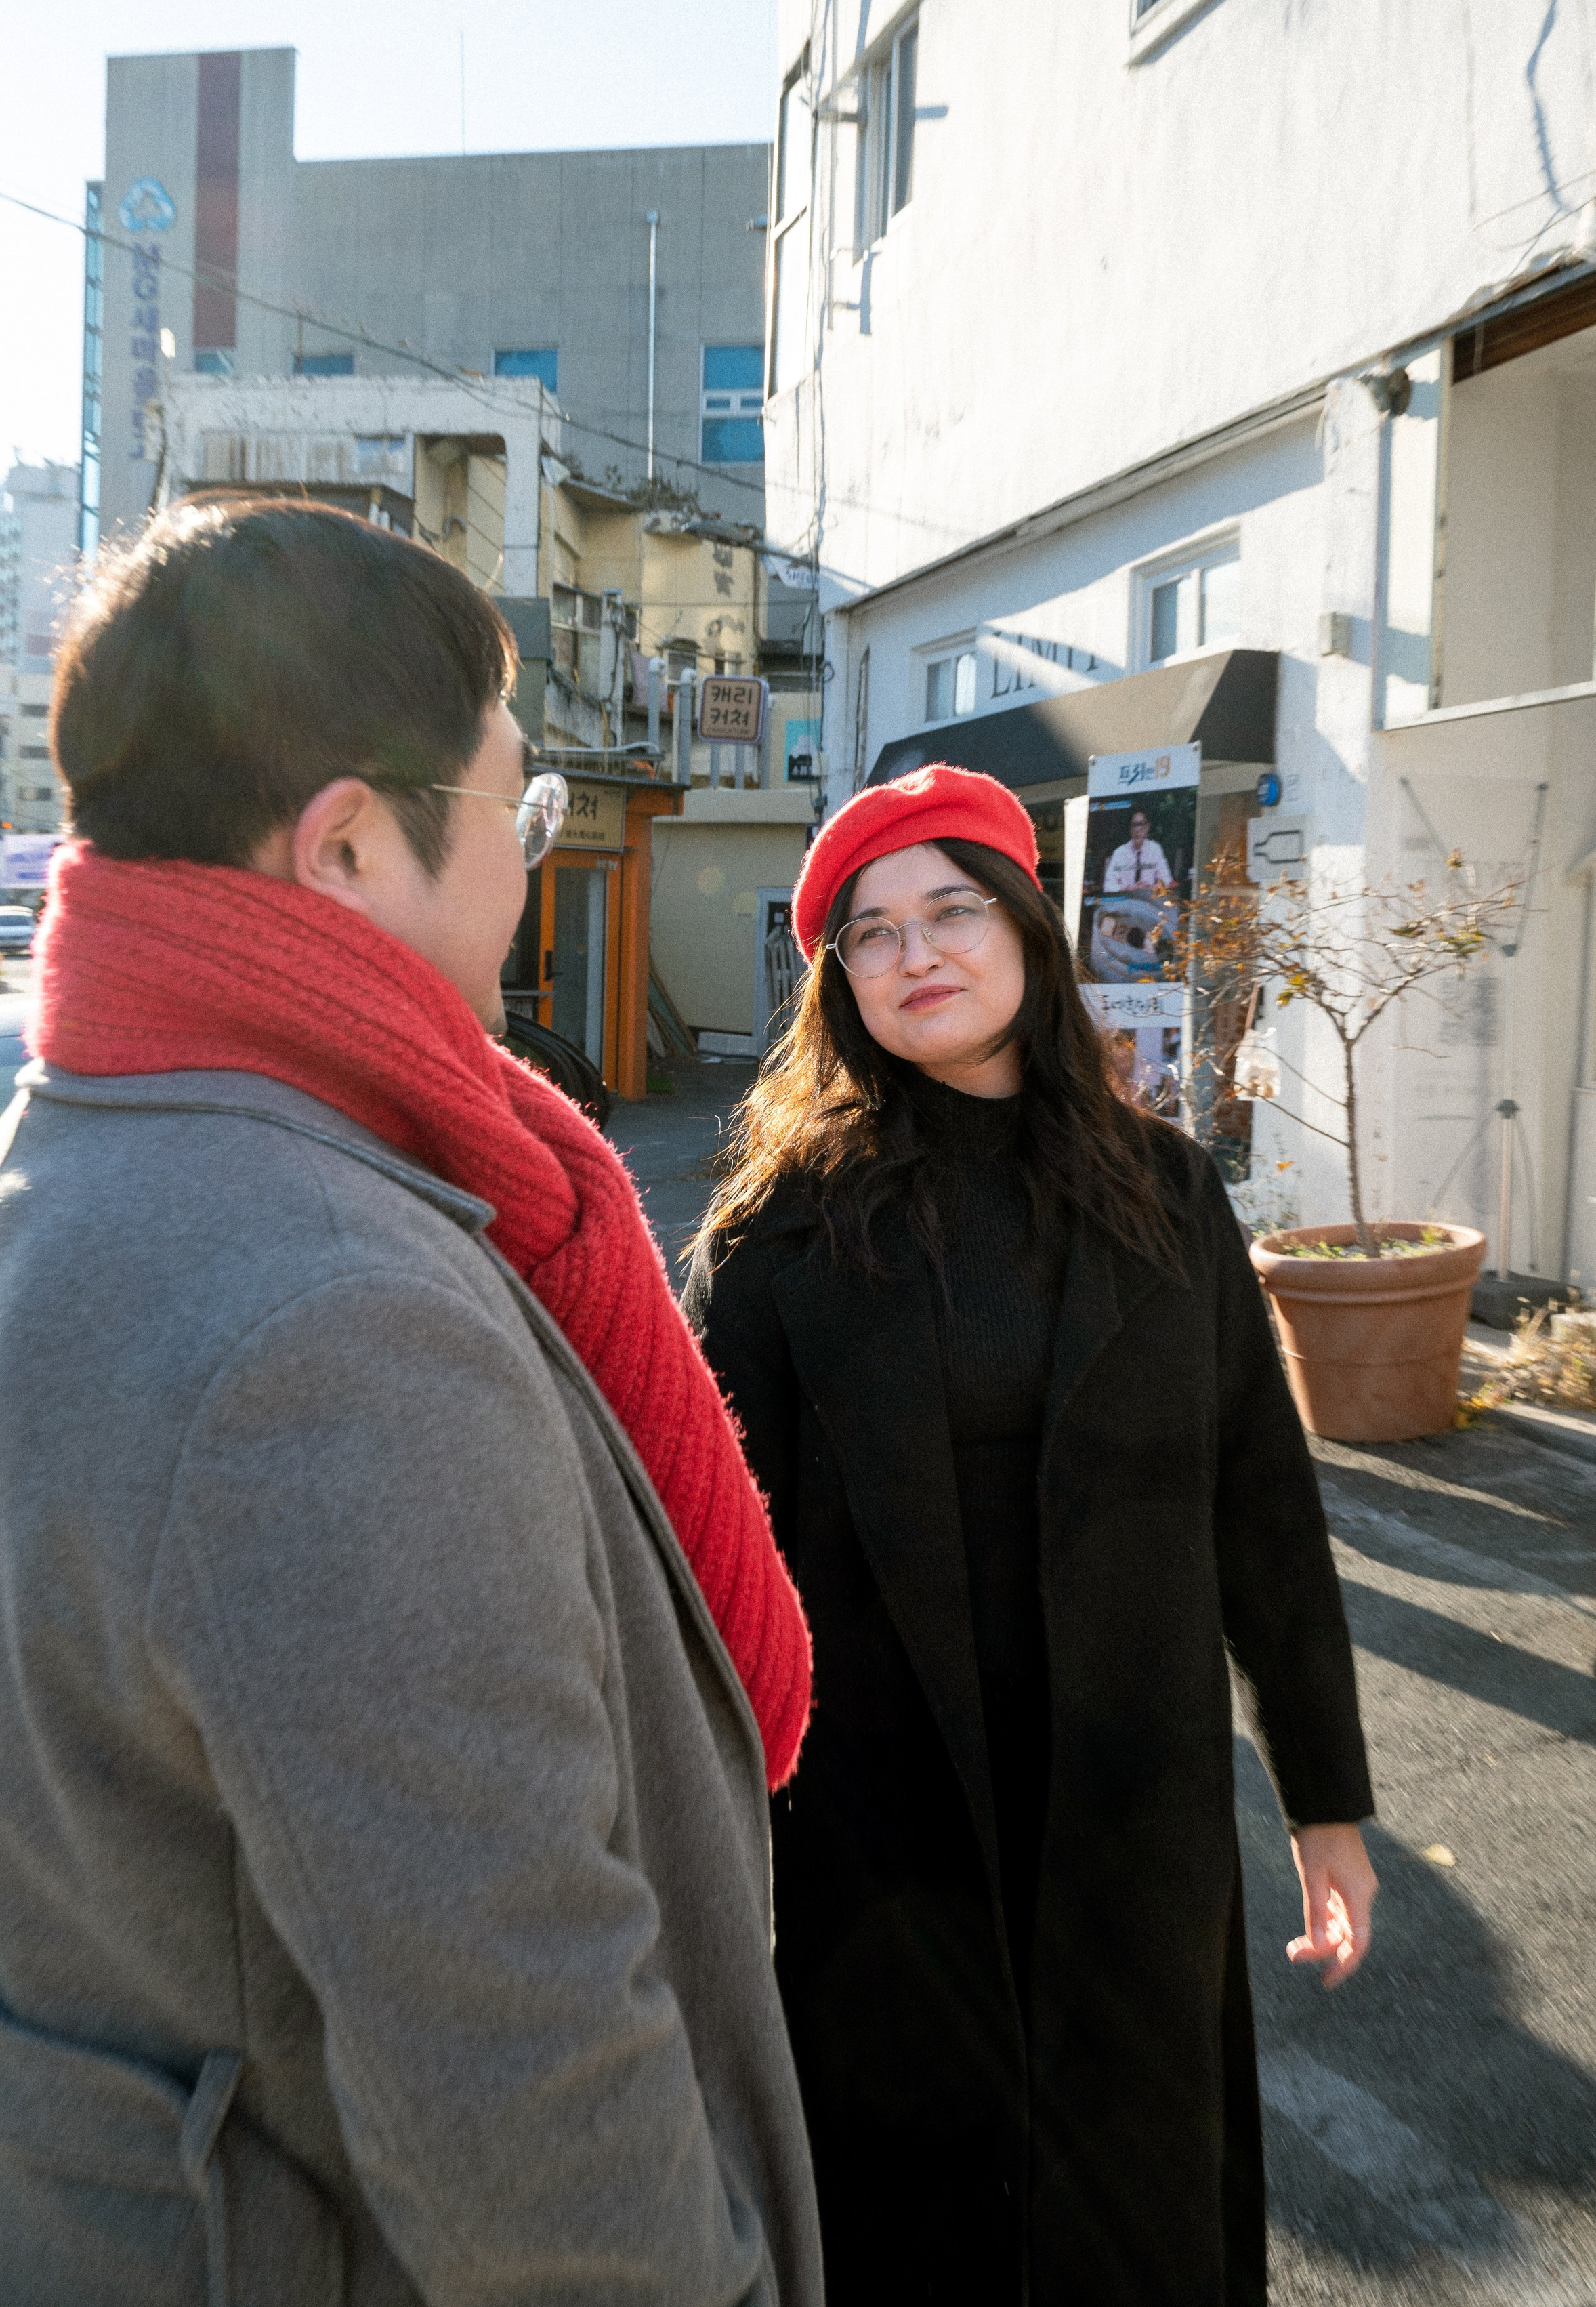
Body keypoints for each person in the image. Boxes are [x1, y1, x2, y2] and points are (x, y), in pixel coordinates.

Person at [0, 497, 822, 2305]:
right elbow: (534, 2109)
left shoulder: (88, 1153)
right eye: (519, 812)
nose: (534, 866)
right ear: (352, 850)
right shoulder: (332, 1326)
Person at [684, 761, 1376, 2307]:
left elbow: (1258, 1501)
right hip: (879, 1834)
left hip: (1132, 1811)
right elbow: (711, 1573)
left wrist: (1323, 1796)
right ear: (836, 981)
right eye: (866, 932)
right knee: (911, 2228)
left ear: (1024, 927)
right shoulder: (774, 1237)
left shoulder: (1168, 1196)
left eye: (948, 908)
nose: (912, 951)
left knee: (1137, 2216)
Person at [1102, 803, 1175, 892]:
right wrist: (1128, 888)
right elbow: (1108, 886)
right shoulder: (1120, 852)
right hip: (1126, 901)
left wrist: (1152, 888)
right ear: (1130, 829)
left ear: (1148, 827)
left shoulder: (1155, 849)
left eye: (1141, 824)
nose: (1137, 830)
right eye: (1134, 825)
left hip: (1149, 901)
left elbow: (1167, 881)